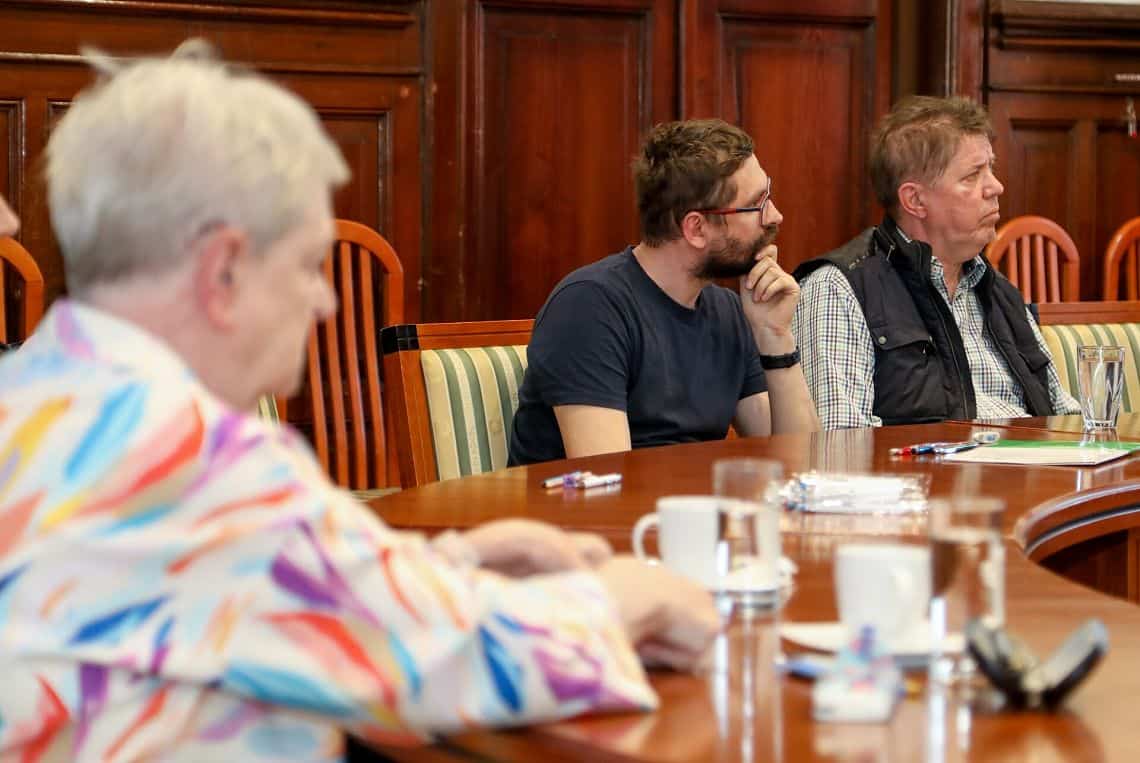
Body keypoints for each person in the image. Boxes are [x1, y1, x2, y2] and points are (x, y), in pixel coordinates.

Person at [0, 42, 719, 761]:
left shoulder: (36, 392)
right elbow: (461, 659)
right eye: (307, 265)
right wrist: (632, 594)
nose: (324, 300)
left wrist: (450, 562)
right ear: (222, 271)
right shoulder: (187, 456)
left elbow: (264, 600)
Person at [509, 119, 820, 465]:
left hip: (689, 498)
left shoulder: (730, 311)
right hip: (595, 501)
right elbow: (607, 478)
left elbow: (801, 464)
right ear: (696, 228)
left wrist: (775, 335)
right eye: (757, 204)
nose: (775, 216)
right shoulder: (589, 307)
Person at [791, 96, 1079, 430]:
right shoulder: (838, 289)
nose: (996, 187)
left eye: (991, 168)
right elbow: (840, 442)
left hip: (1033, 459)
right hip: (931, 464)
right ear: (915, 200)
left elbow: (1065, 418)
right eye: (972, 175)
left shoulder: (998, 291)